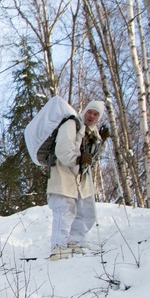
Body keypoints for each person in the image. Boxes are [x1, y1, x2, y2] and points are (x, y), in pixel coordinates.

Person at [48, 100, 111, 260]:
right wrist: (78, 160)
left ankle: (75, 241)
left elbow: (92, 159)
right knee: (64, 210)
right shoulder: (71, 125)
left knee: (84, 211)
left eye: (96, 114)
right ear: (85, 111)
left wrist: (100, 143)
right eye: (90, 112)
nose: (92, 116)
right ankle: (58, 247)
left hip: (79, 178)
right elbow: (62, 150)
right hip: (63, 174)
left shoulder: (92, 133)